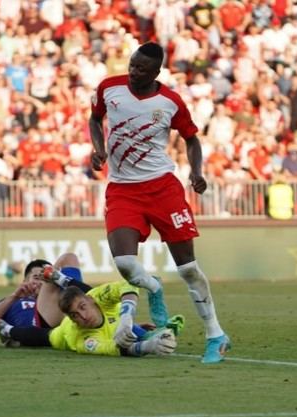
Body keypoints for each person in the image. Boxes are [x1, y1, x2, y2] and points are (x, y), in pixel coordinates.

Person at [88, 41, 230, 363]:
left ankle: (215, 334)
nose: (133, 71)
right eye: (132, 65)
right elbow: (94, 119)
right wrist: (98, 149)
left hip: (163, 189)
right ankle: (153, 287)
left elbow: (192, 138)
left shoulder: (170, 102)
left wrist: (196, 172)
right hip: (123, 189)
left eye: (141, 68)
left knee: (189, 268)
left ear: (156, 72)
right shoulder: (109, 88)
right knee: (125, 263)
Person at [0, 281, 183, 357]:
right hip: (62, 334)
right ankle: (7, 330)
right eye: (75, 315)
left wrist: (127, 317)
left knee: (130, 328)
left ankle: (59, 277)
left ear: (90, 300)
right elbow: (115, 349)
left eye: (83, 307)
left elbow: (126, 286)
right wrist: (147, 347)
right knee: (46, 337)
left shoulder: (97, 295)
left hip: (116, 319)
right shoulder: (82, 338)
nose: (83, 317)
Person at [0, 254, 86, 346]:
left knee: (69, 258)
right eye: (36, 277)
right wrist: (14, 297)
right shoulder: (10, 301)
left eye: (43, 278)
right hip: (39, 328)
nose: (40, 282)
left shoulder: (55, 296)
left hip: (59, 320)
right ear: (25, 280)